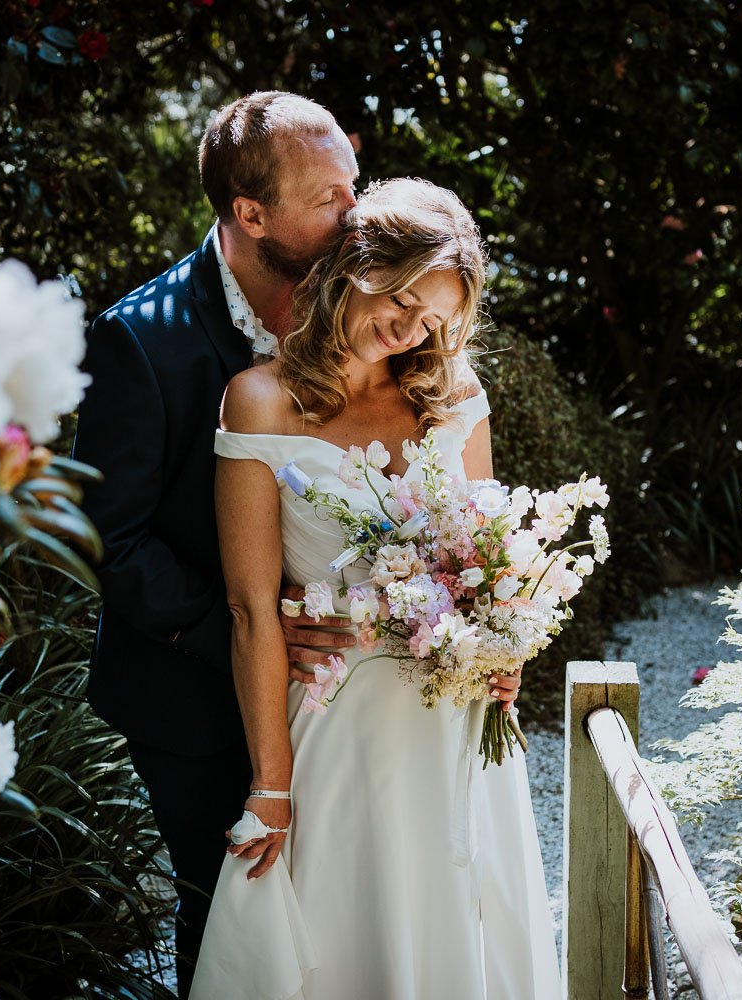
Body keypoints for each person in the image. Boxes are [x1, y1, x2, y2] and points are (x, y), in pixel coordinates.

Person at [191, 178, 561, 999]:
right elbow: (253, 608)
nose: (411, 329)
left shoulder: (454, 397)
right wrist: (272, 783)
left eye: (433, 319)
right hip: (337, 726)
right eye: (402, 300)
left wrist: (507, 647)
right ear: (356, 265)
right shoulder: (260, 400)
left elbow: (488, 562)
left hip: (458, 724)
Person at [70, 92, 359, 996]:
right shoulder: (137, 341)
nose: (356, 213)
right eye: (329, 198)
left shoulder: (362, 305)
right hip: (190, 694)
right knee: (232, 910)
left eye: (357, 184)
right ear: (250, 214)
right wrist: (254, 633)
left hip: (339, 692)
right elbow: (107, 540)